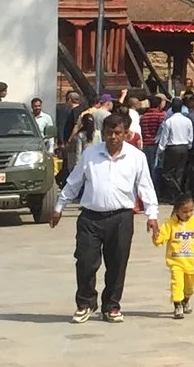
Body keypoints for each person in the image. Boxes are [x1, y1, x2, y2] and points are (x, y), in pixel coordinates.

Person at [47, 108, 159, 323]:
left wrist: (151, 215)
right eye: (109, 132)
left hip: (121, 218)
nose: (113, 137)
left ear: (126, 133)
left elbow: (145, 186)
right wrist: (59, 206)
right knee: (85, 261)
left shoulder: (136, 157)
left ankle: (112, 306)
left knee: (117, 264)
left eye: (118, 133)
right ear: (103, 132)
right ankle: (85, 303)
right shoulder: (91, 154)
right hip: (90, 218)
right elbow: (74, 181)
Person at [154, 191, 194, 319]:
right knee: (177, 284)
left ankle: (186, 300)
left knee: (190, 286)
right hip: (176, 262)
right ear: (177, 210)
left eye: (191, 211)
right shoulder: (170, 224)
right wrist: (156, 235)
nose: (188, 214)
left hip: (191, 264)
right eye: (185, 211)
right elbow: (160, 240)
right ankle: (177, 305)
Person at [156, 98, 194, 204]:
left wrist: (160, 149)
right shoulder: (187, 121)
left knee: (167, 173)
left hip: (172, 147)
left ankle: (177, 194)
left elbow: (165, 137)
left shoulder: (169, 121)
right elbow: (190, 135)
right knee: (179, 173)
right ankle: (176, 196)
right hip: (184, 147)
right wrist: (189, 145)